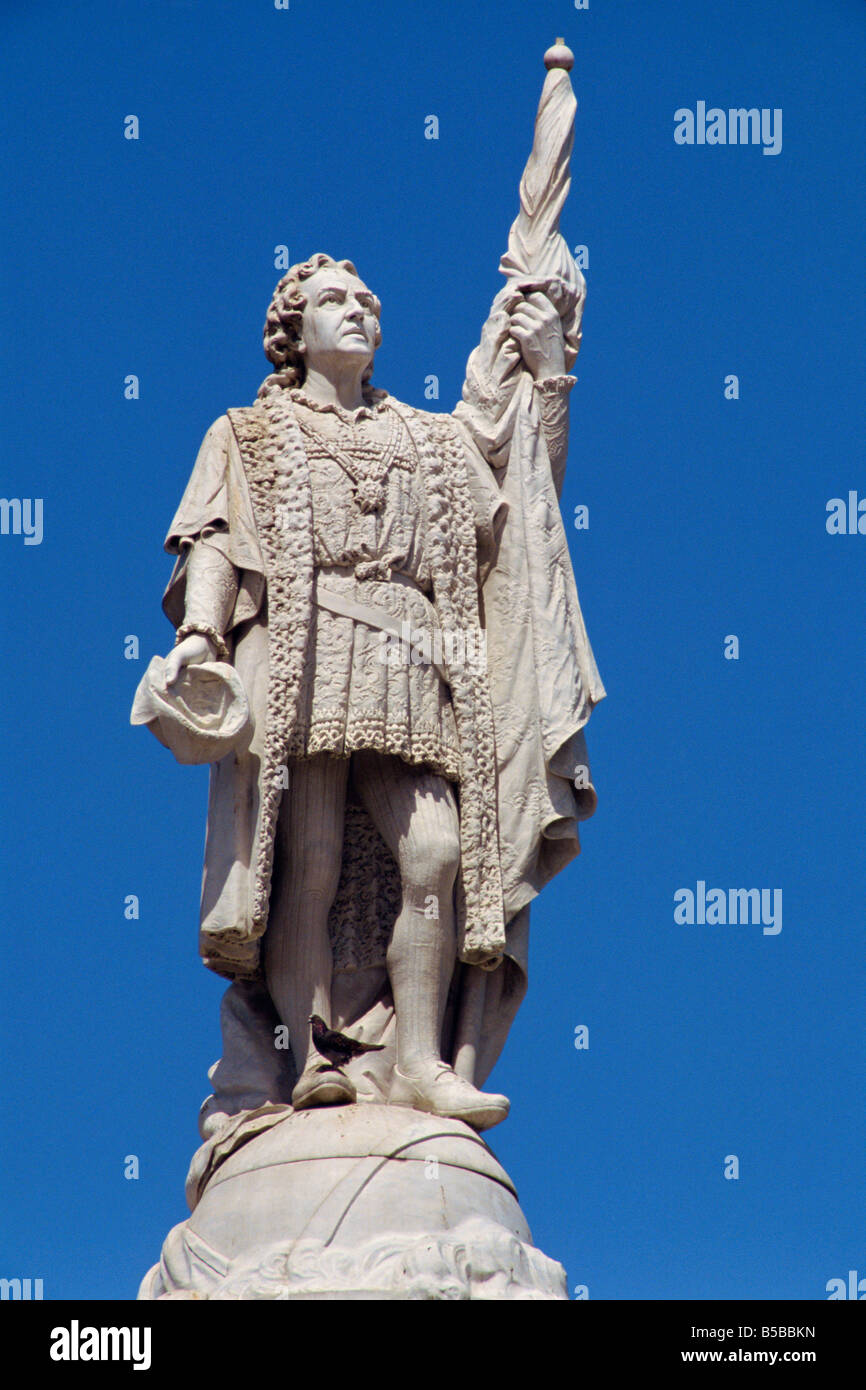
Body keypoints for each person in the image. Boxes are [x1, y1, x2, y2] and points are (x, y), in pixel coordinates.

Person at [153, 251, 604, 1132]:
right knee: (311, 856)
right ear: (295, 331)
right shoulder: (245, 433)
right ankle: (311, 1052)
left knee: (436, 852)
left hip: (417, 659)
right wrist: (201, 637)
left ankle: (424, 1061)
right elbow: (213, 538)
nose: (358, 310)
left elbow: (525, 499)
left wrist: (548, 372)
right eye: (333, 299)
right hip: (305, 653)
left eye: (366, 299)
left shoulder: (432, 439)